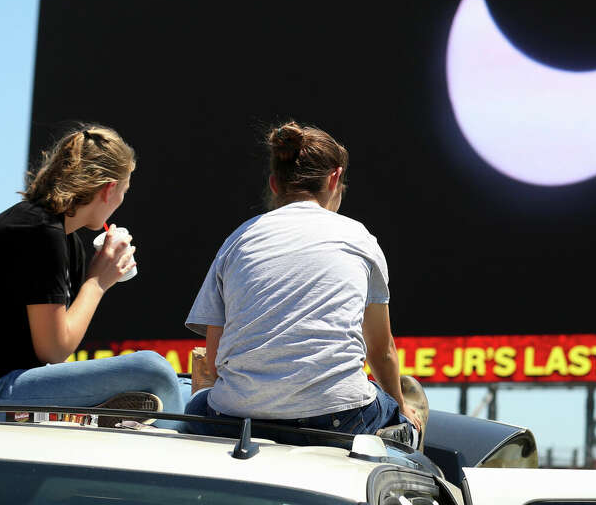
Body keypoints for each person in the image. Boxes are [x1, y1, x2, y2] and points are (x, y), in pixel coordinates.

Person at [183, 121, 427, 445]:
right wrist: (398, 405)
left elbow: (213, 360)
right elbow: (382, 352)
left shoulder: (237, 241)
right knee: (399, 416)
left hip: (237, 421)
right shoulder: (360, 238)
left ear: (274, 184)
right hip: (339, 419)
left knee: (195, 401)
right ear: (334, 178)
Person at [0, 124, 183, 423]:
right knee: (152, 370)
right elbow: (53, 349)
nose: (120, 202)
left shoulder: (67, 241)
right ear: (109, 189)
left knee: (184, 385)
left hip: (18, 386)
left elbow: (56, 358)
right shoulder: (38, 230)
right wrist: (98, 281)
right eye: (124, 192)